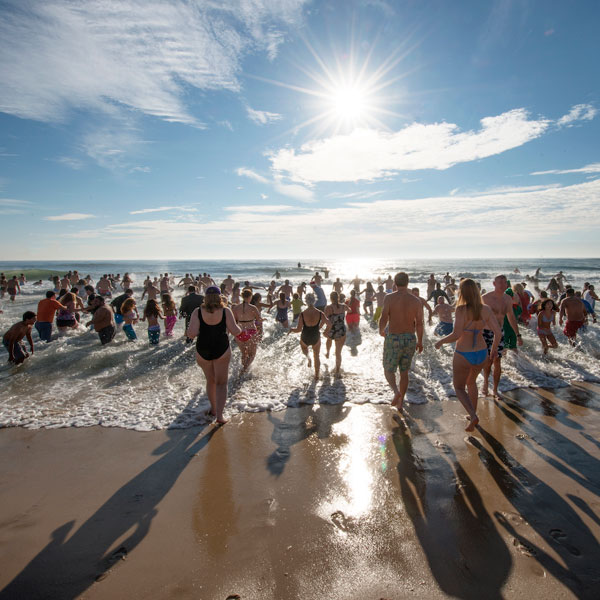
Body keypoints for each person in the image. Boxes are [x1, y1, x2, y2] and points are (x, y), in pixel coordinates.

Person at [435, 279, 500, 431]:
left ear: (461, 292)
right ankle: (473, 415)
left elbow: (456, 334)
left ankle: (473, 414)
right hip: (482, 353)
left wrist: (441, 342)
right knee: (471, 383)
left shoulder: (461, 309)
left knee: (459, 387)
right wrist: (494, 350)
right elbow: (497, 332)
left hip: (464, 353)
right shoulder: (486, 309)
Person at [186, 286, 241, 424]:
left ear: (205, 297)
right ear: (219, 296)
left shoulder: (197, 312)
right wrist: (240, 327)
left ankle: (214, 410)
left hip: (203, 349)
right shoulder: (225, 311)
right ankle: (220, 417)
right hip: (221, 348)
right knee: (221, 383)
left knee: (210, 381)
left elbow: (191, 334)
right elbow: (235, 331)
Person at [379, 272, 424, 412]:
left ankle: (395, 391)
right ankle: (401, 402)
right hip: (410, 338)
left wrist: (381, 330)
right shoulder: (416, 301)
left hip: (394, 337)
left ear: (395, 284)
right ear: (408, 282)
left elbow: (384, 316)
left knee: (388, 369)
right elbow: (420, 324)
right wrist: (420, 341)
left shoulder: (389, 298)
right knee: (404, 372)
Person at [481, 275, 523, 398]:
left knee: (497, 360)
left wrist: (518, 335)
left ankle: (495, 390)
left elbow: (511, 317)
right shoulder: (485, 298)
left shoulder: (507, 299)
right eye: (500, 282)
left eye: (505, 282)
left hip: (500, 332)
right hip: (486, 333)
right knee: (488, 361)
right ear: (494, 284)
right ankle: (485, 384)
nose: (503, 284)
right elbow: (477, 317)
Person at [290, 293, 330, 379]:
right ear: (315, 300)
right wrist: (325, 332)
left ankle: (308, 358)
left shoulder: (303, 314)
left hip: (305, 336)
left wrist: (292, 329)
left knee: (304, 348)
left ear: (306, 301)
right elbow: (329, 324)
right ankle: (316, 375)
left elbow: (299, 329)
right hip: (315, 336)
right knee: (317, 356)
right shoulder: (320, 313)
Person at [232, 288, 262, 371]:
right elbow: (259, 320)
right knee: (252, 354)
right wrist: (262, 320)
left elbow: (234, 321)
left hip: (239, 332)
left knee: (244, 354)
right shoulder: (253, 307)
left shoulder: (236, 308)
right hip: (251, 331)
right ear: (250, 297)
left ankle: (242, 369)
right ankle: (244, 370)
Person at [324, 291, 350, 376]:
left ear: (331, 298)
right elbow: (350, 310)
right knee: (338, 352)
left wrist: (323, 329)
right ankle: (337, 371)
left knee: (329, 339)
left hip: (332, 329)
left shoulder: (329, 307)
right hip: (341, 330)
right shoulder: (343, 306)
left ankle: (327, 352)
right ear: (338, 298)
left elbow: (325, 319)